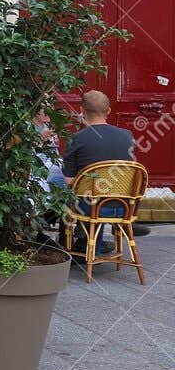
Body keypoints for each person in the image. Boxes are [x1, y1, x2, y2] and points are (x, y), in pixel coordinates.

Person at [61, 90, 137, 251]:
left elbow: (69, 181)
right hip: (124, 206)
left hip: (90, 206)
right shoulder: (127, 135)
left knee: (73, 194)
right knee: (98, 189)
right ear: (108, 111)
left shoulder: (76, 139)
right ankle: (92, 245)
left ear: (82, 110)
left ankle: (71, 246)